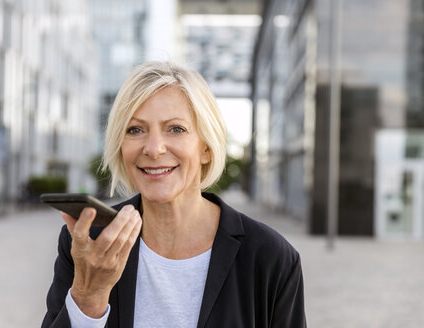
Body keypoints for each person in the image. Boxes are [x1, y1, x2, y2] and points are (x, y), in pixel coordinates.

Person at [41, 61, 306, 328]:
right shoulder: (89, 245)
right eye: (135, 130)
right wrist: (89, 299)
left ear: (206, 148)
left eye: (176, 129)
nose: (154, 149)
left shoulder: (270, 258)